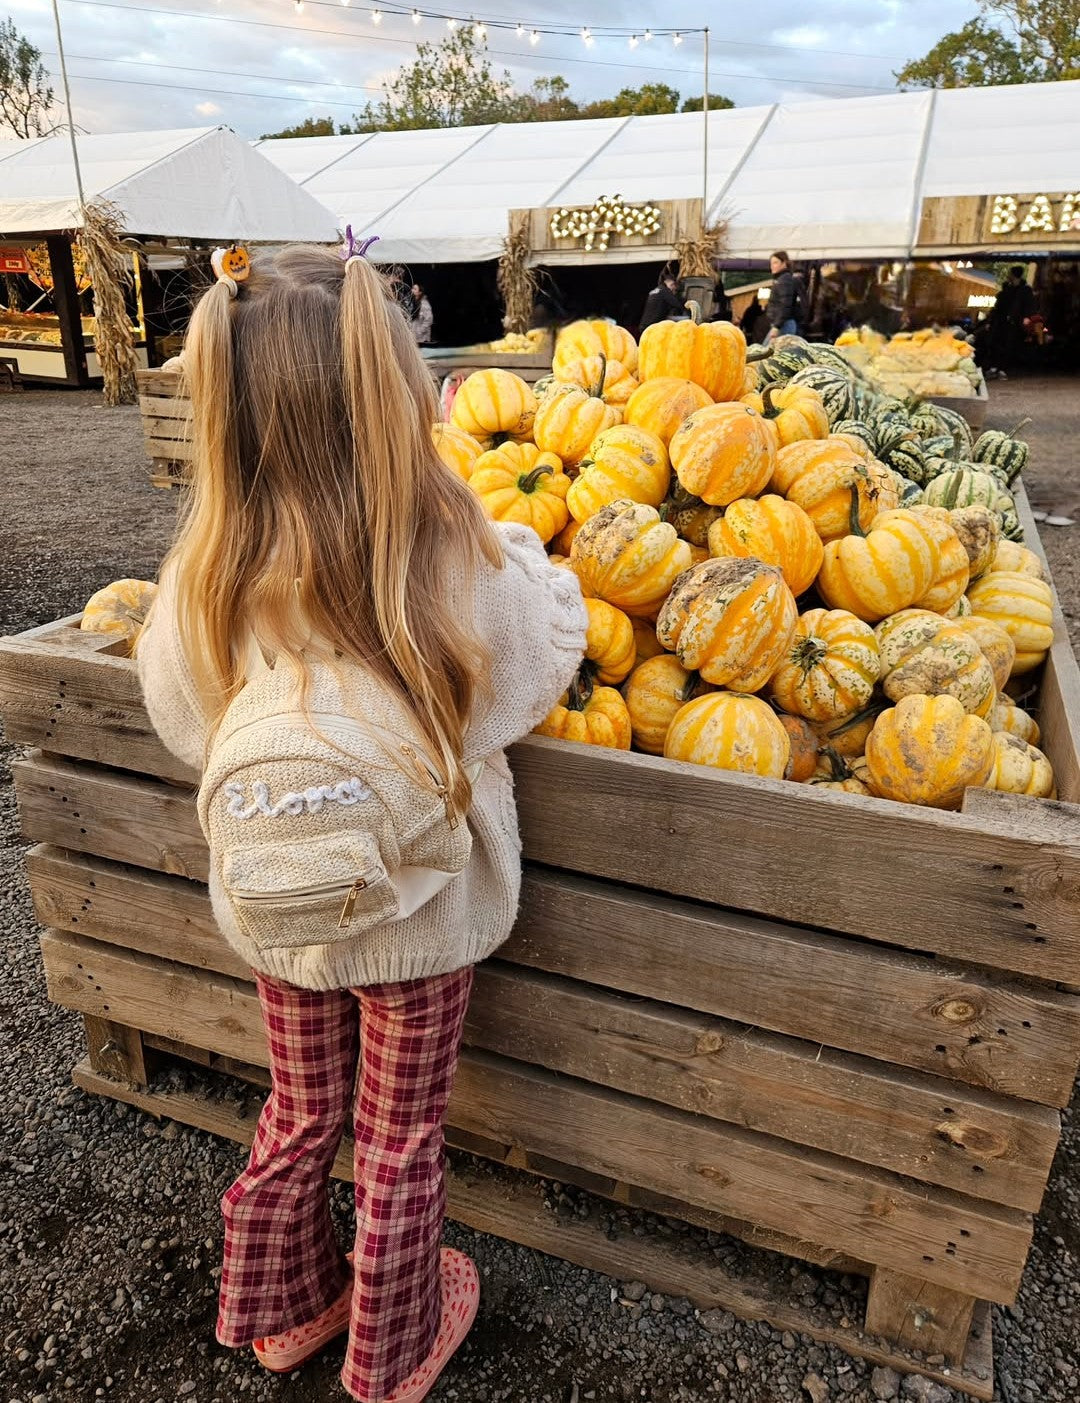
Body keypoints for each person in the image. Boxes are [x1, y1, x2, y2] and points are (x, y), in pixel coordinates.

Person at [135, 245, 587, 1403]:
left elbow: (188, 722)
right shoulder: (449, 553)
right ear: (403, 398)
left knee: (297, 1110)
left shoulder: (203, 569)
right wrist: (537, 555)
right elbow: (530, 670)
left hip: (281, 907)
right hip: (421, 916)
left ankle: (278, 1308)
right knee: (397, 1140)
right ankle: (391, 1349)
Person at [988, 265, 1036, 379]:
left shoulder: (1025, 290)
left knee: (1008, 345)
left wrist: (1026, 317)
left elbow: (1030, 305)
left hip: (1014, 322)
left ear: (1014, 275)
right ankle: (994, 366)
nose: (1008, 276)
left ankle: (1002, 368)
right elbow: (998, 306)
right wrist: (991, 319)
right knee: (995, 342)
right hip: (1001, 321)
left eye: (1010, 274)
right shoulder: (1007, 290)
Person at [765, 250, 798, 340]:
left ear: (784, 263)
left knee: (767, 352)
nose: (772, 266)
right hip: (782, 324)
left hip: (783, 325)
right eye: (771, 263)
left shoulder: (784, 280)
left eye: (775, 263)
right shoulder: (783, 279)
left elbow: (785, 305)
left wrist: (776, 326)